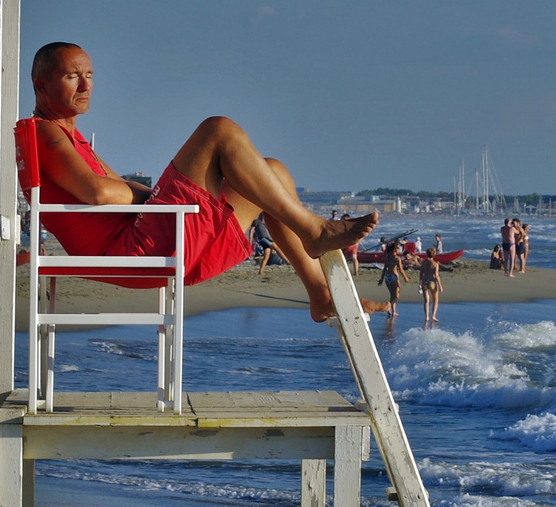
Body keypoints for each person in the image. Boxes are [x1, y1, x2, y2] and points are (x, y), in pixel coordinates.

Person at [26, 41, 375, 322]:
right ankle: (313, 231)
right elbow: (99, 191)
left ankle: (320, 294)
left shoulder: (71, 136)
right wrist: (151, 198)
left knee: (274, 173)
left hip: (146, 245)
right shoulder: (44, 132)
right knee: (217, 129)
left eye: (89, 75)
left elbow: (117, 188)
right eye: (74, 76)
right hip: (132, 251)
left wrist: (150, 196)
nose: (87, 85)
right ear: (42, 86)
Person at [380, 239, 409, 315]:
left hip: (387, 277)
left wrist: (381, 279)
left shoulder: (387, 257)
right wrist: (405, 278)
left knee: (392, 295)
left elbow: (384, 269)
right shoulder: (397, 258)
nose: (399, 249)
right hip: (394, 277)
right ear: (395, 249)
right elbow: (401, 270)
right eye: (398, 248)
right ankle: (388, 307)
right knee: (396, 295)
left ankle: (393, 311)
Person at [419, 247, 443, 328]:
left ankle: (427, 317)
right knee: (435, 299)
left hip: (425, 281)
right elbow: (436, 275)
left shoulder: (424, 263)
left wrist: (420, 281)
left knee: (426, 301)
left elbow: (421, 273)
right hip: (432, 282)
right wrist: (440, 285)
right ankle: (433, 315)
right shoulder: (435, 264)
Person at [250, 216, 280, 280]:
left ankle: (261, 271)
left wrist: (272, 238)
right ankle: (288, 261)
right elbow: (251, 230)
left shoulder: (264, 224)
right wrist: (250, 241)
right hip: (263, 239)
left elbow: (267, 232)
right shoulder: (256, 221)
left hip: (266, 239)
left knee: (266, 257)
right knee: (277, 248)